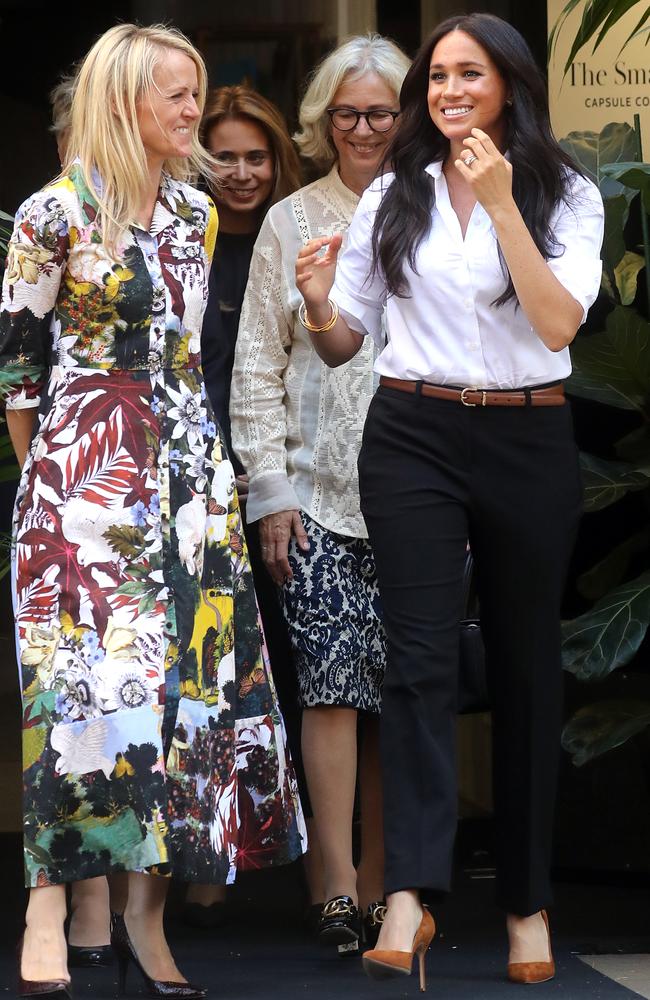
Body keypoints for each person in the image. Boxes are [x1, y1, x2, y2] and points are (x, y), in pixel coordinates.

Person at [294, 13, 604, 989]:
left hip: (526, 434)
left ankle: (523, 903)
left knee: (521, 667)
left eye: (467, 73)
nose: (447, 89)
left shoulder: (567, 192)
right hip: (412, 433)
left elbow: (554, 322)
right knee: (416, 661)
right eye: (436, 75)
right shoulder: (395, 194)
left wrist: (505, 206)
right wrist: (314, 306)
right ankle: (407, 895)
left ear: (508, 82)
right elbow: (347, 340)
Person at [0, 23, 304, 998]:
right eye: (176, 94)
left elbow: (181, 359)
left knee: (181, 702)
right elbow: (17, 379)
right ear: (123, 101)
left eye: (196, 90)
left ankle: (143, 912)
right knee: (80, 699)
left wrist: (199, 483)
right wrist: (62, 497)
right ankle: (49, 902)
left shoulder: (191, 212)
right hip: (82, 487)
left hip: (186, 485)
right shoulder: (51, 216)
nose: (194, 110)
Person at [230, 34, 410, 956]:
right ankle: (335, 888)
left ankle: (387, 889)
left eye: (383, 112)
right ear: (323, 121)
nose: (366, 128)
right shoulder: (292, 219)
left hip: (419, 493)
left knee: (395, 695)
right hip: (315, 492)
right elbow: (258, 364)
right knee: (331, 692)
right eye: (349, 113)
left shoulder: (428, 212)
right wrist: (271, 491)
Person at [184, 85, 305, 927]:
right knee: (206, 675)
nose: (240, 172)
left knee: (294, 675)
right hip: (191, 485)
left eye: (255, 156)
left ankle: (303, 861)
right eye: (222, 155)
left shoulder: (298, 236)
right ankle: (204, 861)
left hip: (284, 481)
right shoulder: (175, 241)